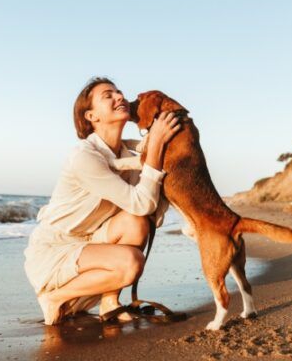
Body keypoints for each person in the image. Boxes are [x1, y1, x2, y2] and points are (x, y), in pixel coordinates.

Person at [24, 77, 180, 325]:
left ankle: (110, 302)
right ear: (91, 116)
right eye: (108, 95)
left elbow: (149, 212)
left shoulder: (127, 152)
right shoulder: (84, 157)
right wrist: (157, 143)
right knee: (131, 263)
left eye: (119, 92)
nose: (119, 97)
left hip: (92, 242)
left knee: (136, 222)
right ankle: (55, 297)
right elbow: (143, 202)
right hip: (56, 250)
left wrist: (158, 142)